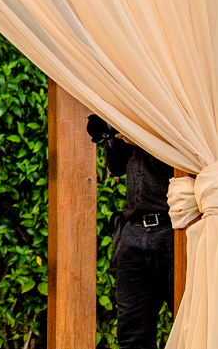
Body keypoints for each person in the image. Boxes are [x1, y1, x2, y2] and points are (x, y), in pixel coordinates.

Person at [87, 115, 174, 349]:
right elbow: (115, 166)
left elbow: (180, 158)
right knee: (132, 336)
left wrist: (141, 135)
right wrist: (115, 134)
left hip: (173, 232)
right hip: (134, 233)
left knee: (188, 325)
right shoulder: (127, 110)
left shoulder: (167, 109)